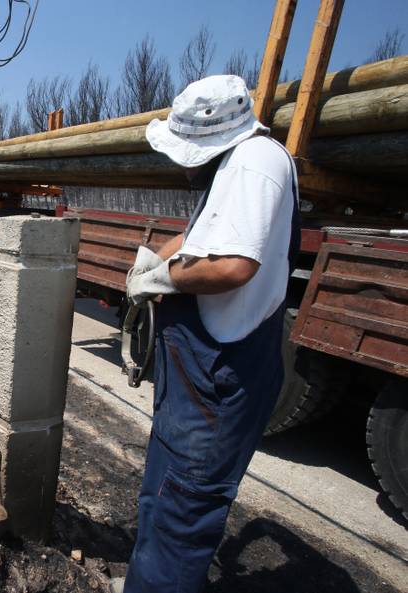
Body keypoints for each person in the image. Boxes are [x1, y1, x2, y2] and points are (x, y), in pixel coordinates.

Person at [122, 75, 300, 593]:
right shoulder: (234, 164)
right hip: (198, 374)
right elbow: (200, 236)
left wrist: (163, 279)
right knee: (162, 494)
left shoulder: (253, 165)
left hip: (218, 375)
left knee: (182, 510)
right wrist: (155, 259)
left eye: (186, 155)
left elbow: (232, 265)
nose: (183, 167)